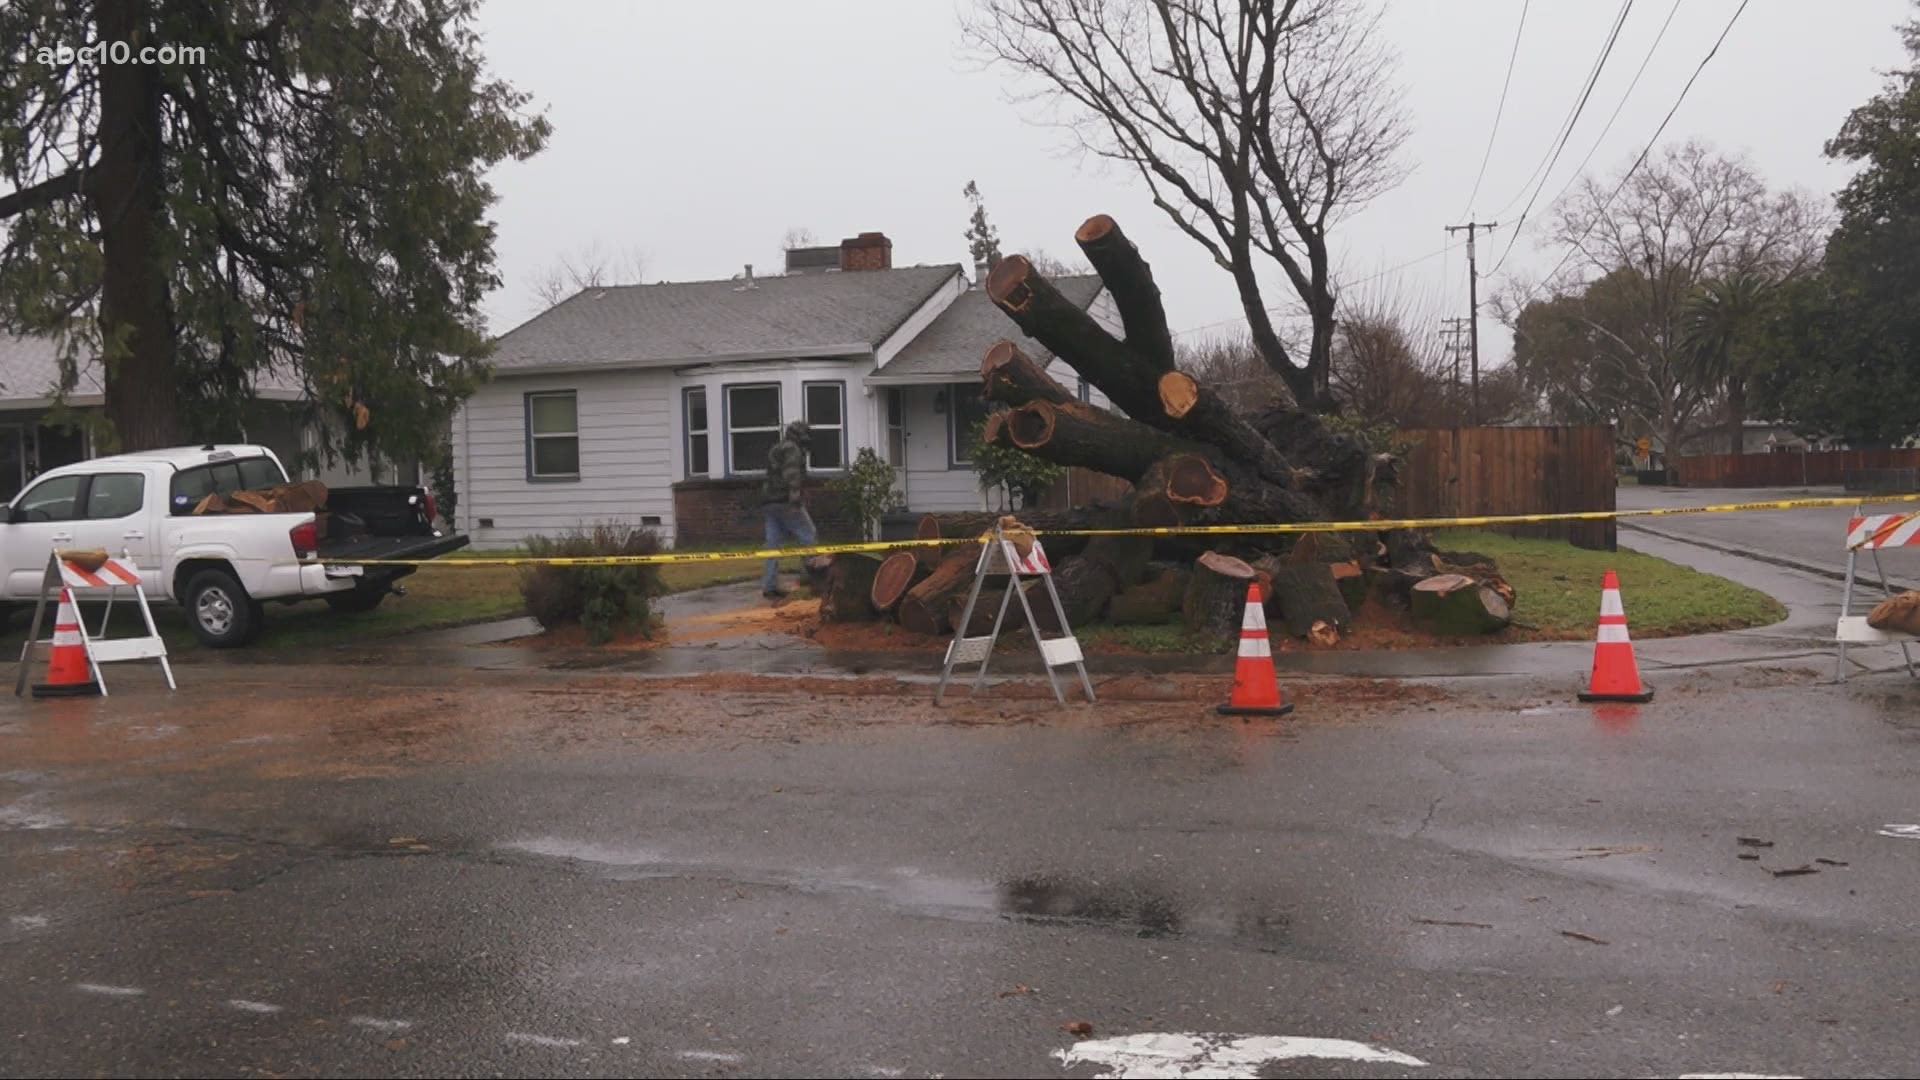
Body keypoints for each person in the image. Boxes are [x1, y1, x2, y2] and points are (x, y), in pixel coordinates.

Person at [760, 420, 817, 599]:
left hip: (769, 503)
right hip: (785, 501)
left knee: (772, 545)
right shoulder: (793, 449)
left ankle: (769, 586)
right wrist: (795, 500)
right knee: (808, 535)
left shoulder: (776, 448)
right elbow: (792, 475)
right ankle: (810, 580)